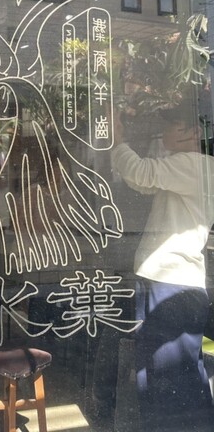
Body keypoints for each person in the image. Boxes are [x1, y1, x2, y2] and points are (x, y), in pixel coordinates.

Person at [111, 103, 214, 431]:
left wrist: (117, 140)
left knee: (166, 380)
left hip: (170, 283)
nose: (164, 131)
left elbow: (140, 173)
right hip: (174, 282)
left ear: (194, 131)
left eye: (172, 124)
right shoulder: (193, 167)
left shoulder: (193, 164)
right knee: (177, 377)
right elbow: (144, 182)